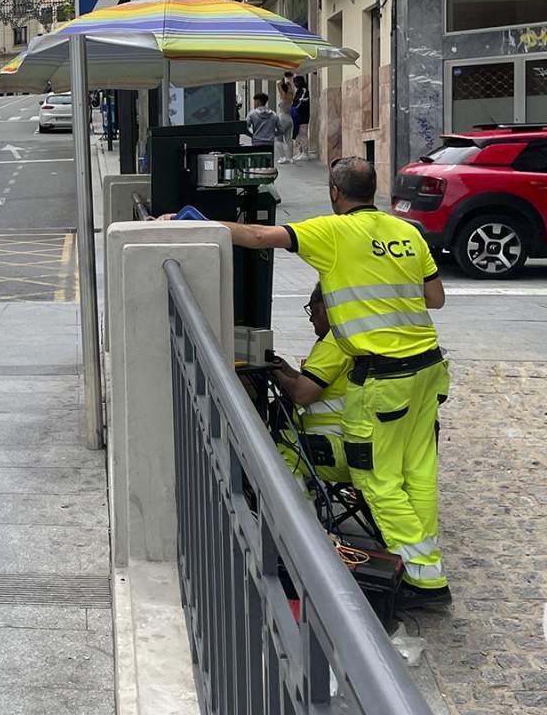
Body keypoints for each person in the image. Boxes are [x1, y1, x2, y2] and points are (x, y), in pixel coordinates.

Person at [166, 157, 451, 607]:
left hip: (381, 377)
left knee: (377, 479)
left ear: (335, 193)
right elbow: (434, 297)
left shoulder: (334, 232)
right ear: (373, 189)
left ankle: (417, 581)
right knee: (418, 472)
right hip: (428, 370)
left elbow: (259, 236)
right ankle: (428, 573)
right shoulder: (408, 232)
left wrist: (194, 221)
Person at [268, 284, 352, 487]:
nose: (311, 318)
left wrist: (275, 372)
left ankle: (298, 516)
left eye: (312, 310)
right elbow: (318, 385)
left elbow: (302, 394)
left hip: (338, 445)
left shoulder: (335, 342)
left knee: (275, 449)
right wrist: (287, 371)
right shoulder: (354, 334)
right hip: (360, 444)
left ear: (325, 307)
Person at [274, 79, 296, 164]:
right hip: (290, 119)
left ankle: (282, 157)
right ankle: (290, 158)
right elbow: (291, 87)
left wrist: (279, 77)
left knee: (278, 139)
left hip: (282, 118)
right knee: (288, 139)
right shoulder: (291, 96)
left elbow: (278, 84)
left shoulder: (283, 95)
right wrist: (289, 84)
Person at [291, 74, 312, 160]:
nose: (295, 84)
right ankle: (300, 152)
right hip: (297, 115)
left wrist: (295, 109)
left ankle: (305, 153)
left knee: (303, 134)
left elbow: (301, 101)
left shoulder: (304, 90)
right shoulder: (298, 91)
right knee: (298, 134)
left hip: (303, 115)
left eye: (296, 82)